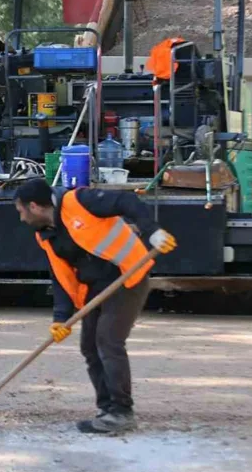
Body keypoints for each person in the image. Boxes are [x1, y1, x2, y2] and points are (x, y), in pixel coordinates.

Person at [14, 179, 176, 434]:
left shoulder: (79, 201)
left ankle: (122, 412)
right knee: (89, 346)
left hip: (127, 277)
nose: (21, 218)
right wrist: (60, 318)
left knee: (108, 341)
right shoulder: (45, 235)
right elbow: (60, 276)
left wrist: (151, 230)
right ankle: (107, 409)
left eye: (21, 211)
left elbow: (127, 201)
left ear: (34, 206)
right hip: (95, 288)